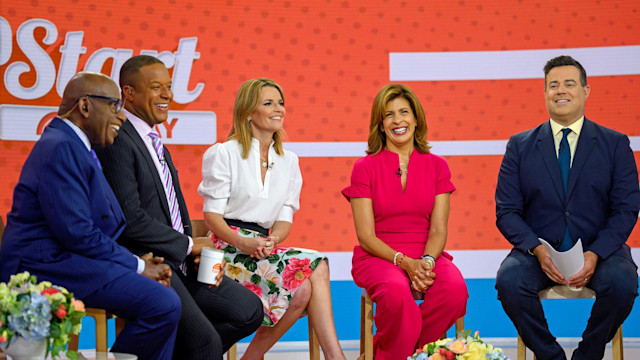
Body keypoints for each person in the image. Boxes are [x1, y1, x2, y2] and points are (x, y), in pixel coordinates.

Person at [0, 72, 181, 360]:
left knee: (163, 298)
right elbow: (77, 233)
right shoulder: (62, 146)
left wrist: (135, 262)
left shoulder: (74, 145)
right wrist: (136, 266)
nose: (120, 117)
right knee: (162, 303)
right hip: (43, 265)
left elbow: (90, 229)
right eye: (113, 106)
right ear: (85, 107)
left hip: (66, 258)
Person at [94, 56, 263, 360]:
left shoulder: (154, 141)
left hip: (182, 261)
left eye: (169, 87)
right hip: (151, 263)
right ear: (129, 93)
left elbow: (171, 209)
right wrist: (188, 246)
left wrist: (197, 253)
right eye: (156, 87)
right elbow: (130, 221)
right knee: (205, 343)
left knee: (248, 311)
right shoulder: (118, 139)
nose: (167, 95)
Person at [495, 55, 640, 360]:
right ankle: (551, 357)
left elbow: (626, 209)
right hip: (538, 252)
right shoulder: (519, 145)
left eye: (569, 84)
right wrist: (536, 249)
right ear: (545, 92)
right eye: (553, 85)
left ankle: (587, 355)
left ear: (586, 90)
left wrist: (596, 252)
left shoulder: (615, 144)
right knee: (509, 281)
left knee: (623, 283)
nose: (561, 90)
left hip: (600, 250)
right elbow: (507, 210)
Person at [197, 78, 346, 360]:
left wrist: (272, 239)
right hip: (218, 253)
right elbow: (211, 218)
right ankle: (335, 357)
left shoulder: (289, 161)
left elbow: (284, 219)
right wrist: (243, 242)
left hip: (261, 250)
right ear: (248, 112)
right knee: (318, 265)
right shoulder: (224, 153)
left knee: (301, 289)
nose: (278, 109)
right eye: (268, 103)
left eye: (280, 103)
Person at [342, 84, 468, 359]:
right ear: (381, 124)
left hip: (427, 255)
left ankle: (401, 353)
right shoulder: (364, 168)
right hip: (379, 256)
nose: (398, 120)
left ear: (416, 118)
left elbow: (438, 229)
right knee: (398, 296)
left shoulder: (437, 166)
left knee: (455, 291)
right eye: (389, 115)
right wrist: (404, 262)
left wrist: (427, 262)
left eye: (404, 112)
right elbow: (365, 236)